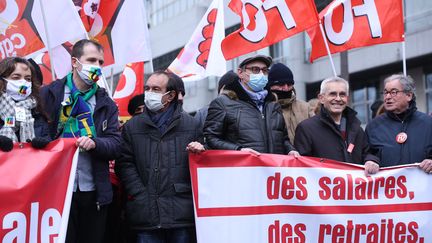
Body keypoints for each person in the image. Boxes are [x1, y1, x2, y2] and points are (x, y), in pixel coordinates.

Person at [40, 39, 121, 243]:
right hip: (55, 188)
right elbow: (38, 134)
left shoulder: (107, 103)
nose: (97, 67)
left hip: (92, 190)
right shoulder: (48, 94)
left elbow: (115, 144)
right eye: (91, 60)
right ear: (75, 62)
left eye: (101, 62)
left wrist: (95, 143)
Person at [116, 70, 204, 243]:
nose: (149, 93)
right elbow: (124, 164)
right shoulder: (132, 127)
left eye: (155, 89)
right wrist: (140, 193)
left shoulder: (192, 125)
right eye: (147, 88)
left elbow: (202, 165)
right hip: (146, 214)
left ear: (170, 95)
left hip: (180, 215)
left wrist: (201, 150)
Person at [204, 54, 298, 155]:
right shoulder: (223, 103)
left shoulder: (273, 104)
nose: (261, 74)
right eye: (255, 70)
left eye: (265, 70)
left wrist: (290, 150)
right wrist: (238, 150)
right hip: (242, 168)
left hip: (272, 168)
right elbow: (211, 139)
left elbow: (283, 139)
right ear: (240, 73)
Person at [294, 77, 378, 166]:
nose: (338, 99)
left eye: (342, 94)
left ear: (347, 98)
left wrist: (370, 160)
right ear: (321, 98)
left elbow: (367, 153)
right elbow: (301, 166)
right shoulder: (306, 129)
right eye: (332, 94)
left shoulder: (356, 128)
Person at [365, 74, 432, 175]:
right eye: (385, 92)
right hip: (388, 189)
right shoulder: (373, 126)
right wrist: (370, 160)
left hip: (421, 189)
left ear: (409, 95)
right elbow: (367, 153)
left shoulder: (428, 123)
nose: (387, 97)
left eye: (393, 92)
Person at [0, 57, 50, 152]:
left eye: (27, 79)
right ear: (3, 80)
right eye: (16, 77)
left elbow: (49, 147)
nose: (23, 82)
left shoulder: (37, 113)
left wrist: (43, 145)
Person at [267, 63, 314, 142]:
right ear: (270, 86)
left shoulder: (306, 107)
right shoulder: (265, 109)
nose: (286, 88)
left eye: (289, 84)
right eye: (281, 84)